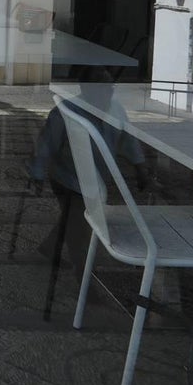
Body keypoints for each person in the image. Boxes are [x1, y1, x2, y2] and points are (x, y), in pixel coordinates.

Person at [28, 65, 149, 266]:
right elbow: (46, 144)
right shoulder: (66, 111)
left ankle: (49, 248)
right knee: (79, 226)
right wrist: (37, 173)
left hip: (96, 179)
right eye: (101, 87)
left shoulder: (116, 109)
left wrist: (140, 169)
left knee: (73, 217)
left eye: (110, 87)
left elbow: (129, 140)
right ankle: (85, 281)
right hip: (67, 178)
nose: (108, 92)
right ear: (85, 88)